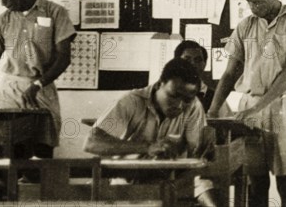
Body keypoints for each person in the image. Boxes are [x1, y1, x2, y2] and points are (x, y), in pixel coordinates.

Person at [208, 0, 286, 207]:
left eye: (258, 1)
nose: (253, 7)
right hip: (249, 105)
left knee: (285, 181)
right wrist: (213, 110)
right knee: (255, 181)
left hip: (283, 105)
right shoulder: (245, 26)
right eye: (248, 1)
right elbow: (229, 73)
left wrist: (258, 109)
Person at [83, 58, 217, 207]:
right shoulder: (131, 102)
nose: (179, 105)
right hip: (128, 181)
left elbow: (196, 155)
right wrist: (147, 147)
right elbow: (91, 143)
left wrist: (205, 148)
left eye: (186, 99)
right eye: (173, 96)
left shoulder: (193, 106)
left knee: (206, 190)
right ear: (160, 84)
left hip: (169, 179)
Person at [0, 0, 76, 160]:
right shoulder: (2, 21)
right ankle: (12, 190)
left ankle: (40, 189)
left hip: (42, 88)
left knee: (42, 152)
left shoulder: (54, 12)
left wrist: (38, 84)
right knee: (11, 151)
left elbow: (64, 57)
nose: (3, 3)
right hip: (11, 91)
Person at [173, 40, 232, 117]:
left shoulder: (215, 99)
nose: (193, 64)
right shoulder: (163, 93)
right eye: (187, 59)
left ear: (204, 64)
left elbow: (228, 125)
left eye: (198, 60)